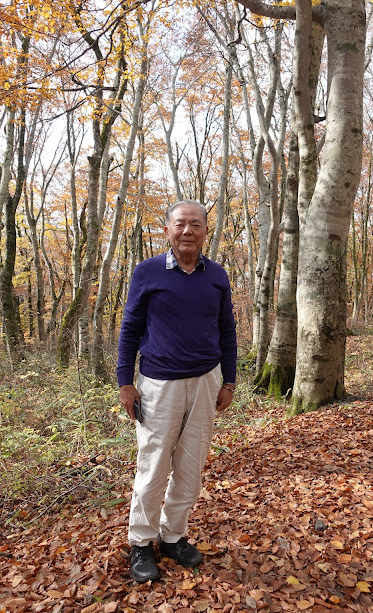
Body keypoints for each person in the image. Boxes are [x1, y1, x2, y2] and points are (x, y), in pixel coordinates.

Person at [117, 200, 237, 583]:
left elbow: (227, 329)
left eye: (196, 225)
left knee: (190, 468)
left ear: (206, 231)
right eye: (180, 224)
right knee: (153, 467)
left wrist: (229, 380)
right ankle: (140, 543)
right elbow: (130, 328)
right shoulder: (148, 272)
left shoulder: (216, 275)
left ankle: (172, 537)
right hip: (158, 385)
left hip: (205, 382)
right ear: (167, 229)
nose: (188, 231)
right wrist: (125, 383)